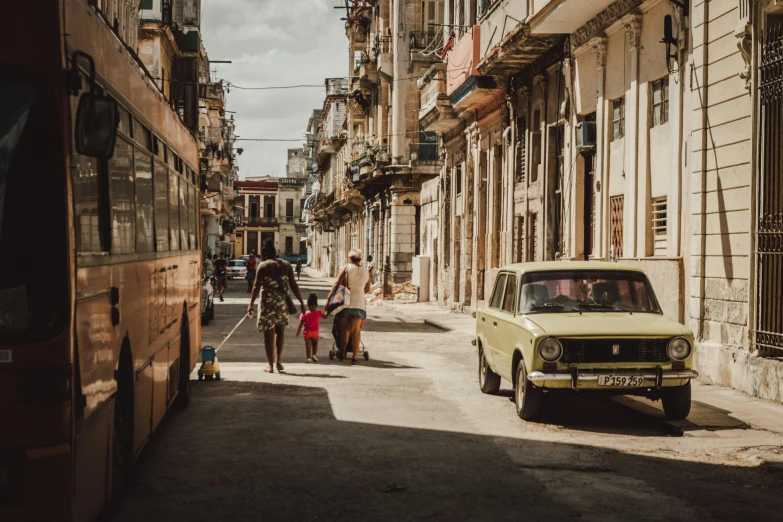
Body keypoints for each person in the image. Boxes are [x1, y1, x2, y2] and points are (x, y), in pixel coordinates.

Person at [248, 241, 305, 373]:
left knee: (269, 336)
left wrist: (250, 304)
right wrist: (302, 302)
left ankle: (270, 365)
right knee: (280, 332)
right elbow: (294, 285)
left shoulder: (262, 266)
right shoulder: (286, 265)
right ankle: (278, 360)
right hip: (281, 304)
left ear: (264, 255)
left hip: (267, 305)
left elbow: (256, 287)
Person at [325, 249, 370, 365]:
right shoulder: (366, 271)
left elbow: (336, 284)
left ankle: (342, 353)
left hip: (345, 302)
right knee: (356, 331)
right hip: (359, 303)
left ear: (350, 258)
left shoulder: (346, 268)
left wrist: (328, 299)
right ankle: (354, 358)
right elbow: (367, 290)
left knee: (344, 330)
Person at [296, 293, 322, 363]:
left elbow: (301, 323)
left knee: (308, 346)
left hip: (307, 332)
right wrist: (328, 310)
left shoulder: (304, 314)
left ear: (307, 306)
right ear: (316, 305)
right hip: (315, 332)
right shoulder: (318, 313)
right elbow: (325, 316)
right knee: (315, 344)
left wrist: (298, 331)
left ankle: (308, 358)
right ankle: (314, 355)